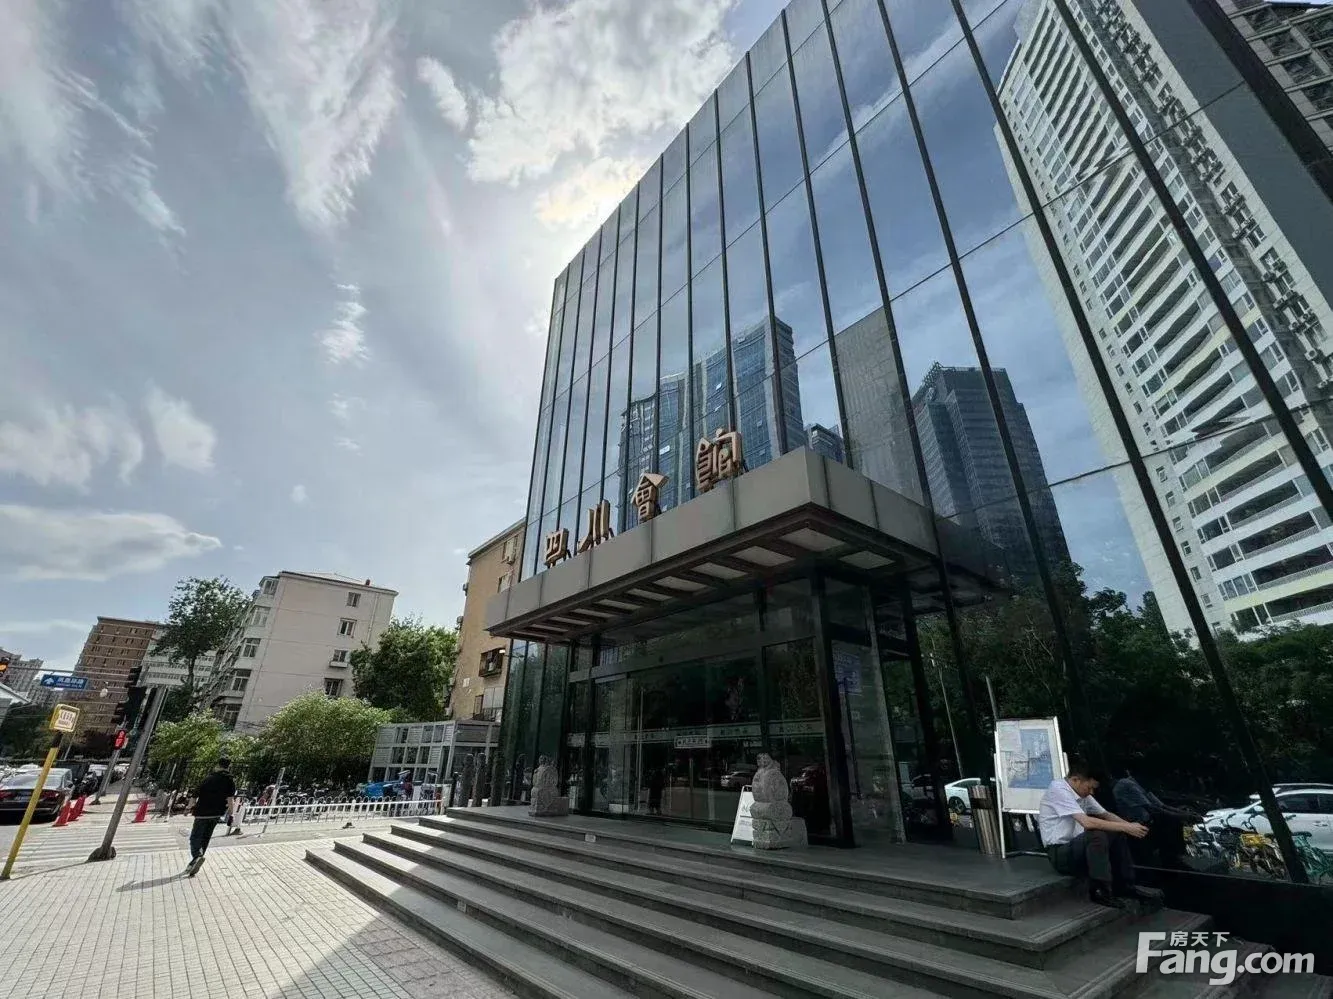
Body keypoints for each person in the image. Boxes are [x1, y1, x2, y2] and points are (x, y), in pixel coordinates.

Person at [1037, 761, 1162, 908]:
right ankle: (1100, 890)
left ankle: (1124, 886)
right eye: (1089, 788)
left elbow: (1106, 814)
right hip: (1060, 854)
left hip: (1078, 850)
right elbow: (1087, 822)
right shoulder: (1058, 790)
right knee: (1096, 835)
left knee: (1116, 832)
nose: (1091, 792)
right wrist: (1126, 827)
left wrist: (1132, 827)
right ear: (1076, 780)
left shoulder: (1081, 792)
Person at [1112, 773, 1202, 870]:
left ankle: (1181, 856)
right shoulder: (1127, 785)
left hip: (1148, 823)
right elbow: (1153, 809)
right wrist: (1184, 816)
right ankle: (1173, 861)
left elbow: (1162, 806)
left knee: (1177, 822)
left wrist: (1187, 814)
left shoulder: (1141, 785)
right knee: (1172, 823)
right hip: (1137, 827)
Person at [185, 758, 236, 877]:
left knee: (195, 837)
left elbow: (195, 795)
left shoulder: (208, 778)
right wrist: (231, 813)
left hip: (202, 812)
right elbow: (230, 799)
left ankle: (197, 856)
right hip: (217, 813)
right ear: (229, 766)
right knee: (206, 837)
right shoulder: (230, 780)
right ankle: (195, 861)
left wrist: (188, 807)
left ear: (218, 765)